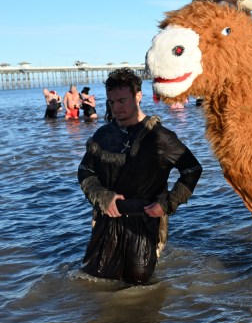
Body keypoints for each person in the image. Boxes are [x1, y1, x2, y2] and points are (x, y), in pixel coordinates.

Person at [77, 68, 203, 284]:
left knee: (139, 287)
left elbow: (191, 169)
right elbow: (85, 171)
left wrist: (168, 203)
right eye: (111, 102)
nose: (116, 108)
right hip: (107, 221)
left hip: (143, 221)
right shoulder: (103, 135)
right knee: (94, 282)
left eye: (122, 101)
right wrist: (102, 197)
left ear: (138, 96)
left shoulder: (159, 137)